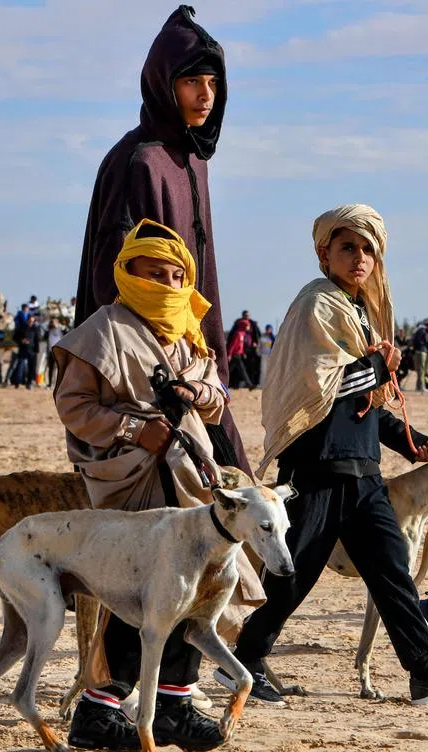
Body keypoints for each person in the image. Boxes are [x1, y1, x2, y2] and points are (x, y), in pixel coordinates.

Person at [229, 204, 428, 707]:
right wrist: (376, 362)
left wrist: (413, 440)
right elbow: (318, 390)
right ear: (324, 252)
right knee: (293, 572)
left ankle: (426, 670)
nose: (360, 258)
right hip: (319, 467)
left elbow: (363, 405)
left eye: (368, 248)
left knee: (392, 571)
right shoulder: (318, 305)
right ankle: (245, 658)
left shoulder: (359, 312)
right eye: (348, 247)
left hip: (363, 471)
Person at [54, 219, 264, 751]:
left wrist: (198, 391)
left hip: (191, 478)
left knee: (196, 593)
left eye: (176, 275)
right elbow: (73, 406)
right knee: (140, 594)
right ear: (127, 273)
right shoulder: (102, 330)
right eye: (154, 273)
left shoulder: (186, 331)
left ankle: (174, 703)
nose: (168, 285)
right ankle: (99, 712)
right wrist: (133, 430)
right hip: (134, 480)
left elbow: (219, 400)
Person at [75, 5, 251, 473]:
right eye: (193, 82)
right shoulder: (138, 161)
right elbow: (112, 282)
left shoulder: (194, 162)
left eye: (214, 83)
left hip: (197, 361)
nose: (206, 95)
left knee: (234, 495)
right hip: (151, 372)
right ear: (163, 84)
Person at [225, 316, 253, 389]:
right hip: (235, 355)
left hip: (238, 355)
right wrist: (230, 354)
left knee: (230, 370)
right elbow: (233, 345)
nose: (249, 327)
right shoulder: (238, 334)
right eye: (247, 326)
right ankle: (249, 384)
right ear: (244, 326)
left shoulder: (243, 334)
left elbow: (240, 346)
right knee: (239, 370)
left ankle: (248, 384)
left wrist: (243, 353)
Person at [412, 319, 428, 391]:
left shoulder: (417, 331)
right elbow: (426, 341)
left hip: (417, 352)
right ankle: (422, 387)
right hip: (422, 352)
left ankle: (418, 387)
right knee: (422, 370)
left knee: (419, 370)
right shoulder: (424, 331)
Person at [45, 318, 66, 387]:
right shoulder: (49, 331)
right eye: (52, 322)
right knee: (50, 368)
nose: (53, 324)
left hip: (59, 352)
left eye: (54, 322)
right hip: (51, 352)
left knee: (59, 369)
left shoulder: (62, 330)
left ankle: (58, 384)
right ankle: (50, 383)